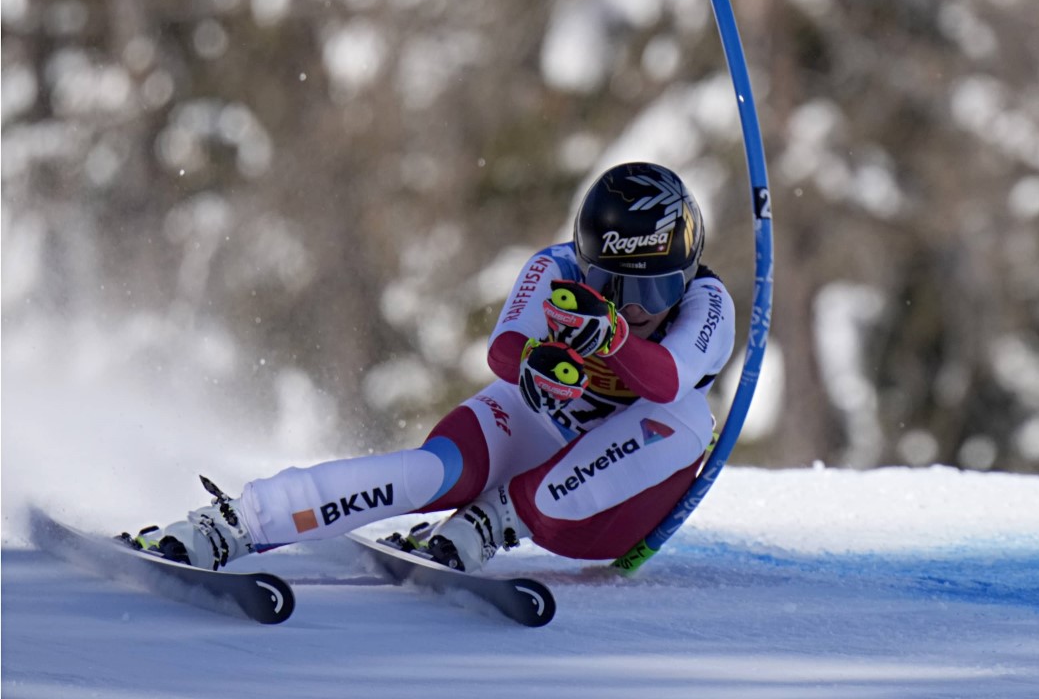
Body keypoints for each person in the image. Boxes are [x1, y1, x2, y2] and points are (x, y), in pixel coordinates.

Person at [127, 162, 736, 573]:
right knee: (429, 474)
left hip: (620, 486)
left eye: (652, 293)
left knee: (676, 417)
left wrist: (611, 335)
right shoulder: (555, 270)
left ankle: (493, 521)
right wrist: (535, 361)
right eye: (608, 283)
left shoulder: (710, 306)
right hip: (544, 419)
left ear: (683, 280)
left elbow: (667, 378)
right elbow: (502, 353)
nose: (631, 305)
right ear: (584, 263)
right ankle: (235, 523)